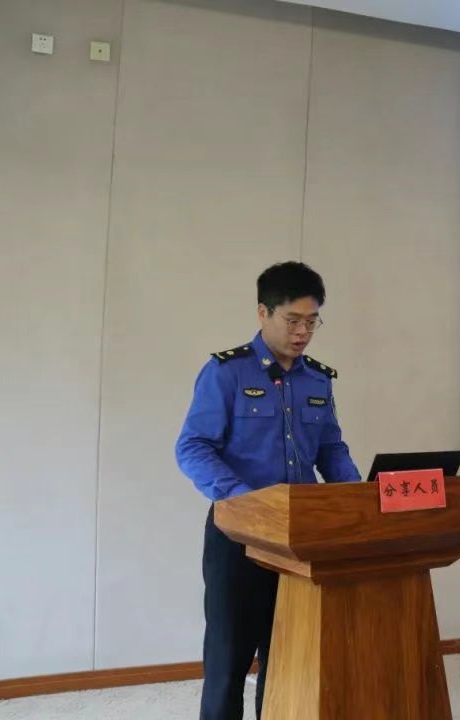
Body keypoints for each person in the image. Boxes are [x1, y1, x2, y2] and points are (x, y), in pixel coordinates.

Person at [176, 261, 362, 720]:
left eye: (312, 322)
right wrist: (248, 501)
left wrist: (357, 497)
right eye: (293, 320)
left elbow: (331, 449)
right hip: (239, 538)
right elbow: (193, 447)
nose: (303, 333)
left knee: (287, 660)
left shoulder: (317, 379)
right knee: (228, 662)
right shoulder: (227, 372)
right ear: (263, 312)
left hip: (300, 539)